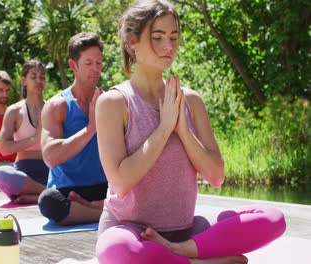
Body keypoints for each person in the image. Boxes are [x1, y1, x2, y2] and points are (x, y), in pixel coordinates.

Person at [94, 1, 286, 263]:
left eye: (173, 37)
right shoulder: (114, 103)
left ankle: (180, 254)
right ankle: (199, 261)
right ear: (133, 42)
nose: (169, 46)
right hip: (131, 231)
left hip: (188, 234)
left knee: (273, 219)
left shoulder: (191, 101)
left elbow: (216, 176)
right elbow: (120, 182)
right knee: (119, 250)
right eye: (158, 37)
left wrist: (183, 129)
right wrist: (164, 129)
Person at [38, 32, 108, 225]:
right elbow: (50, 157)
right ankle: (106, 213)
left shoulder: (109, 101)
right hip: (68, 192)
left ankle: (94, 208)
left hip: (103, 188)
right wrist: (91, 128)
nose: (95, 69)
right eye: (88, 63)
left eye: (99, 63)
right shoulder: (57, 105)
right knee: (48, 202)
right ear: (73, 65)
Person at [0, 60, 49, 204]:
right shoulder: (14, 111)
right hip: (24, 175)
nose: (39, 80)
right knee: (1, 174)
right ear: (24, 80)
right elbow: (4, 148)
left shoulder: (53, 107)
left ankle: (40, 195)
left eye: (42, 77)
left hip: (50, 170)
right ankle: (46, 192)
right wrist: (34, 139)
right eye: (33, 76)